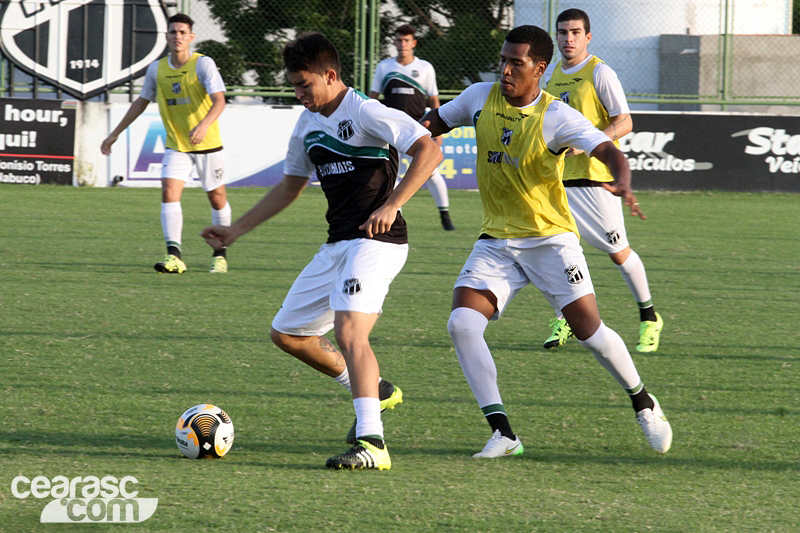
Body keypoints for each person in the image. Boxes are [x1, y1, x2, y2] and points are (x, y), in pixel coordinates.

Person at [420, 25, 672, 458]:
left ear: (540, 68)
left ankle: (643, 401)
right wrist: (402, 137)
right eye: (503, 60)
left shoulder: (556, 116)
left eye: (516, 63)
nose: (505, 69)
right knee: (462, 324)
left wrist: (623, 182)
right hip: (497, 240)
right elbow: (432, 124)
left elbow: (606, 150)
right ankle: (503, 433)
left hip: (551, 242)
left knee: (589, 332)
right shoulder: (479, 97)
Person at [201, 33, 442, 470]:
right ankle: (377, 391)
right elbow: (290, 186)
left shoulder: (366, 110)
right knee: (288, 334)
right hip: (337, 245)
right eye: (293, 86)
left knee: (351, 331)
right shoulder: (307, 124)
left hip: (378, 242)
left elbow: (429, 149)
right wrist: (235, 230)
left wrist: (392, 204)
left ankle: (373, 445)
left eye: (304, 85)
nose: (299, 95)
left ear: (331, 76)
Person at [542, 8, 663, 352]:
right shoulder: (551, 76)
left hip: (597, 180)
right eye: (563, 32)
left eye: (576, 32)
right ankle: (565, 316)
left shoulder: (599, 72)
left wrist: (592, 142)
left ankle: (649, 317)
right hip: (559, 180)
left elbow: (624, 121)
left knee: (618, 251)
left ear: (588, 36)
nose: (569, 39)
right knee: (555, 250)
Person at [101, 13, 231, 274]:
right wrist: (114, 133)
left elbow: (219, 100)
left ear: (191, 37)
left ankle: (220, 255)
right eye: (173, 32)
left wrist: (204, 125)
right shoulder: (157, 69)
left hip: (207, 144)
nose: (178, 36)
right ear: (167, 37)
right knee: (169, 192)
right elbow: (141, 102)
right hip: (176, 145)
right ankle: (174, 256)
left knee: (216, 199)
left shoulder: (203, 65)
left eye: (183, 32)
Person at [369, 24, 455, 231]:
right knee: (391, 176)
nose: (402, 44)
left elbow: (434, 99)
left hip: (417, 129)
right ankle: (396, 216)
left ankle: (445, 215)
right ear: (394, 42)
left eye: (406, 40)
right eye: (399, 40)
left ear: (414, 43)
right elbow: (372, 98)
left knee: (431, 171)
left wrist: (439, 131)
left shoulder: (425, 68)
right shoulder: (384, 67)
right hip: (391, 130)